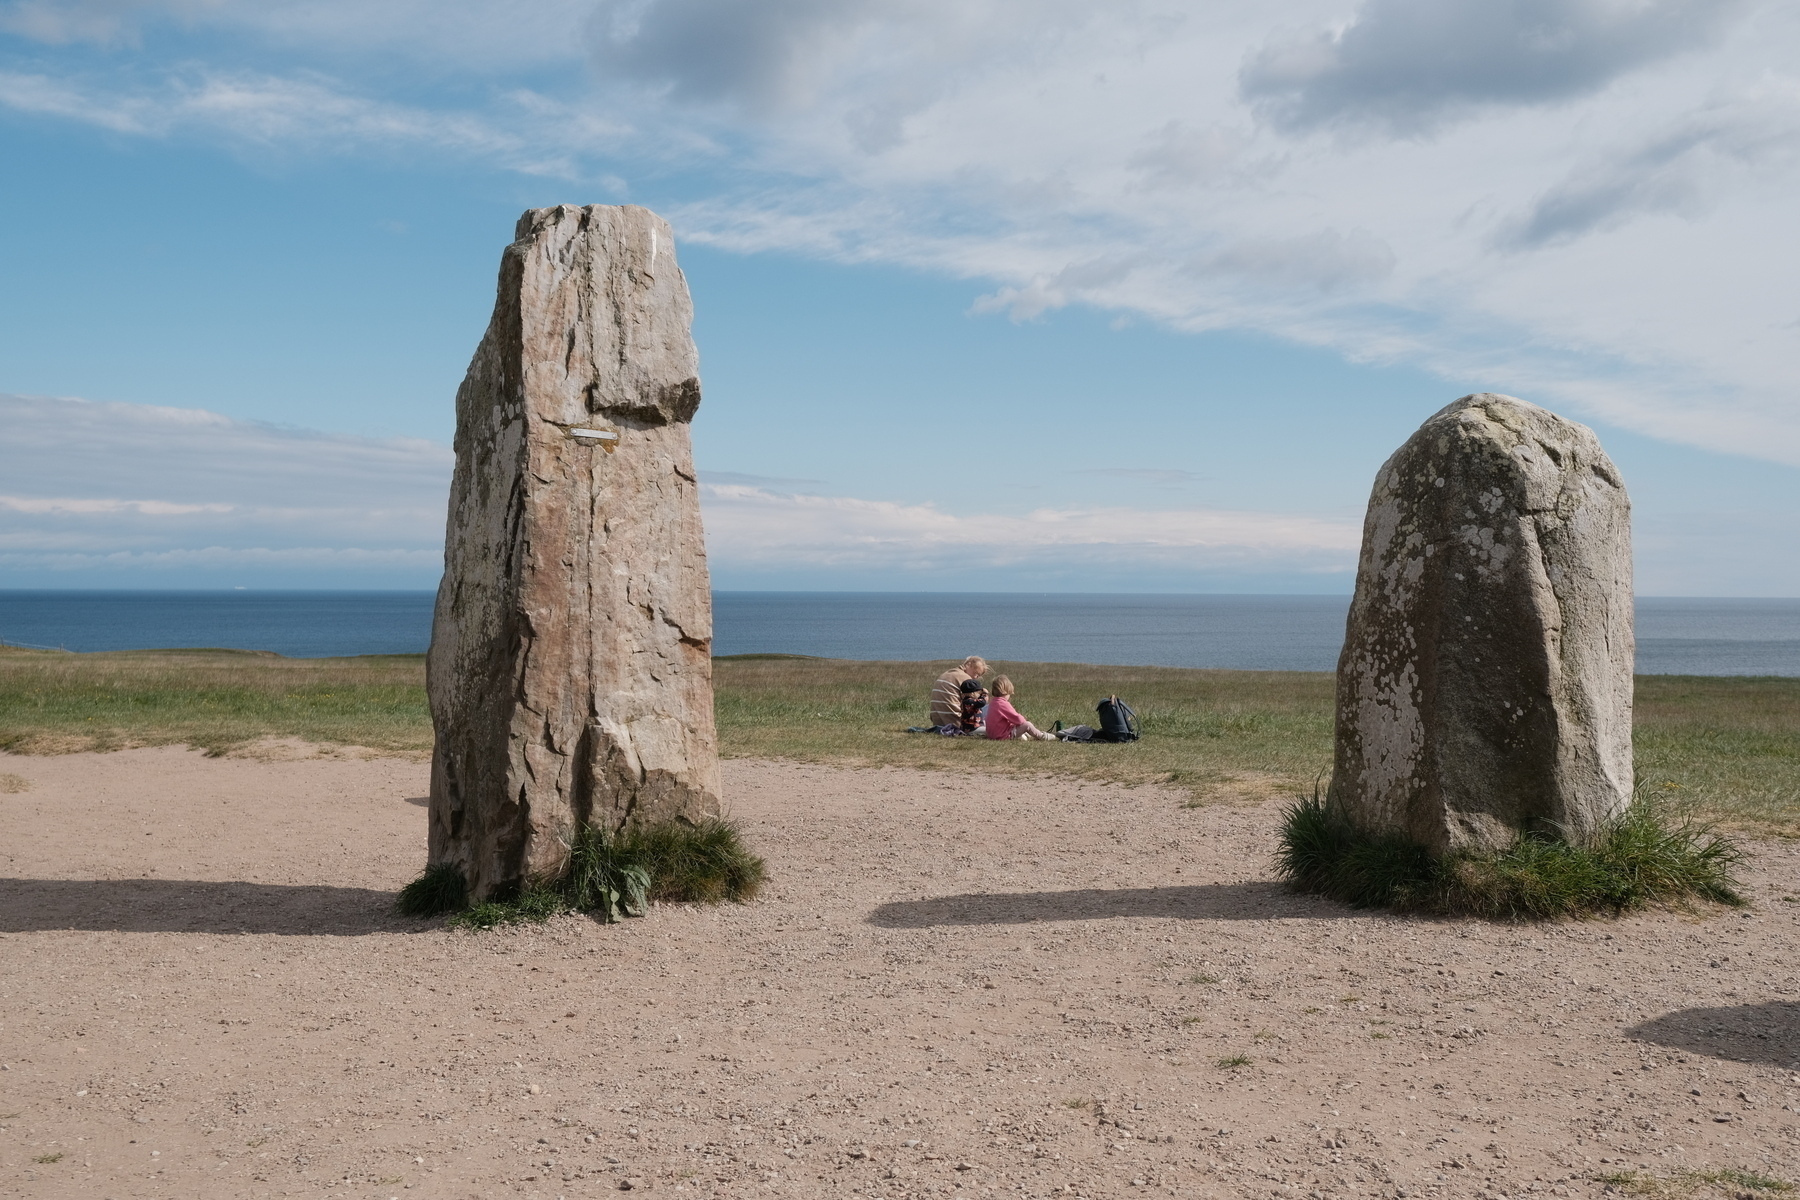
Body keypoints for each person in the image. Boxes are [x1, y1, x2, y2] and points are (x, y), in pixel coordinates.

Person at [983, 675, 1056, 741]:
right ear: (1006, 692)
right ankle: (1042, 736)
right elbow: (1017, 719)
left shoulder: (993, 702)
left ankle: (1024, 735)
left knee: (1017, 726)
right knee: (1027, 725)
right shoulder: (1003, 704)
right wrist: (1023, 722)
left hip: (991, 735)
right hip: (1001, 736)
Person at [930, 656, 988, 730]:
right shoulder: (966, 679)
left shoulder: (947, 674)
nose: (976, 677)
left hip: (937, 721)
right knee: (988, 707)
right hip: (955, 722)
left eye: (978, 675)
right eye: (975, 673)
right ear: (968, 665)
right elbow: (977, 702)